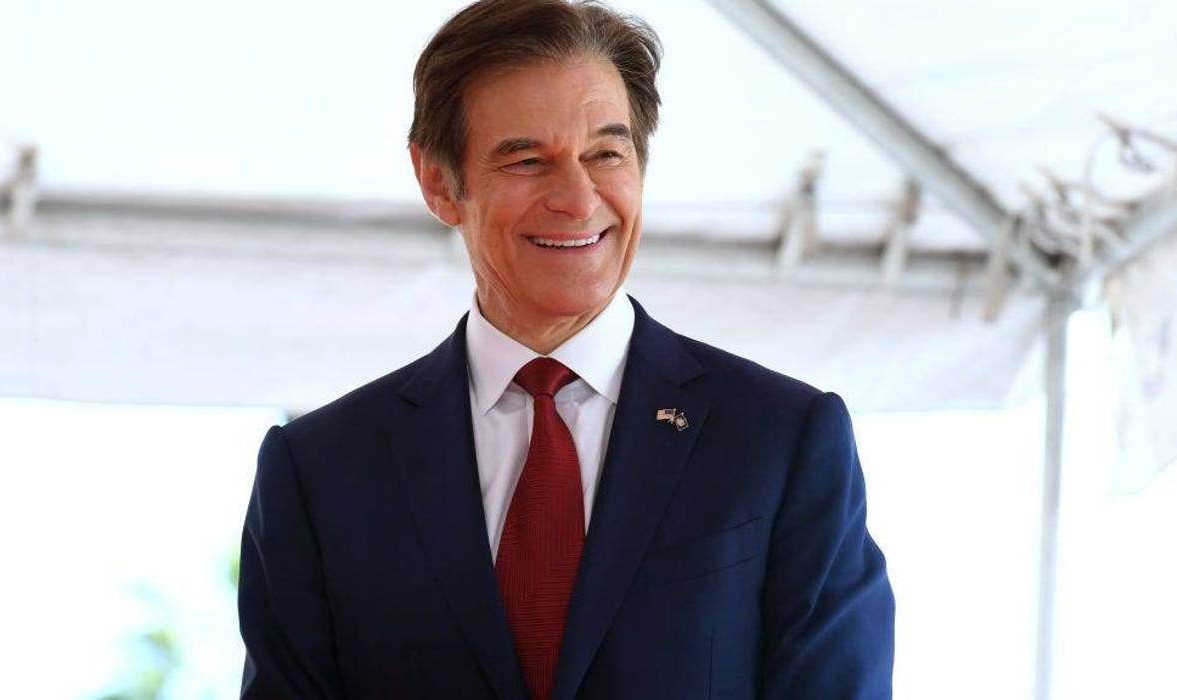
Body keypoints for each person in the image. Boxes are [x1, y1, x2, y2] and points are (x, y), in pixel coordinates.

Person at [236, 1, 894, 698]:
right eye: (526, 159)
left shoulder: (780, 440)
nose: (578, 199)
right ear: (437, 181)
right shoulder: (320, 471)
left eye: (605, 154)